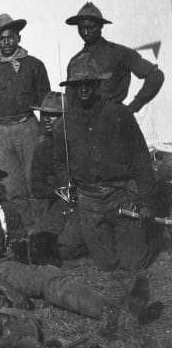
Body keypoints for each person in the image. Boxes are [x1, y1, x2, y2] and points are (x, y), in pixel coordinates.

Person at [0, 148, 158, 331]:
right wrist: (2, 286)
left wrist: (24, 255)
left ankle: (114, 313)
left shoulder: (4, 208)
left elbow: (15, 250)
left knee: (49, 276)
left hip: (1, 267)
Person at [53, 54, 155, 271]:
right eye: (78, 84)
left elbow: (140, 157)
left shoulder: (120, 114)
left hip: (122, 197)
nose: (83, 88)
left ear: (98, 84)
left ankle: (138, 238)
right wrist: (69, 189)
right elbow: (60, 163)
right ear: (71, 87)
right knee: (107, 265)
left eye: (88, 83)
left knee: (132, 263)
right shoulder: (63, 124)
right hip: (88, 203)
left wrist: (145, 201)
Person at [0, 13, 50, 230]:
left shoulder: (34, 65)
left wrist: (44, 133)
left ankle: (44, 230)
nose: (6, 42)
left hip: (28, 128)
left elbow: (45, 101)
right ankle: (25, 232)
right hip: (1, 132)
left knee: (35, 180)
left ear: (18, 37)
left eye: (10, 37)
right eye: (1, 39)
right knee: (12, 184)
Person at [65, 2, 164, 113]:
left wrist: (133, 107)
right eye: (81, 28)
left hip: (114, 120)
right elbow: (70, 100)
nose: (86, 32)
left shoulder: (118, 53)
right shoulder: (75, 62)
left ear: (100, 26)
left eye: (91, 27)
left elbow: (156, 75)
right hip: (84, 123)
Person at [29, 92, 88, 261]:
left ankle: (95, 240)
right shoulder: (42, 148)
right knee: (37, 241)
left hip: (85, 205)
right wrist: (59, 191)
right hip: (60, 204)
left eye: (54, 115)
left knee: (65, 248)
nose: (47, 119)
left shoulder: (80, 143)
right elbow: (37, 187)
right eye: (44, 114)